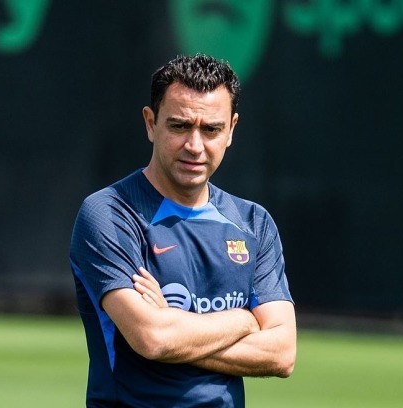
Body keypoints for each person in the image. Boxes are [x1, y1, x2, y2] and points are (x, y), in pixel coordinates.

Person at [70, 54, 296, 407]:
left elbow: (282, 353)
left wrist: (177, 326)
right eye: (179, 126)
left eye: (211, 129)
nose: (194, 145)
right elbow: (152, 337)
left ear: (232, 130)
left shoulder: (254, 223)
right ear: (150, 123)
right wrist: (243, 319)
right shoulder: (110, 214)